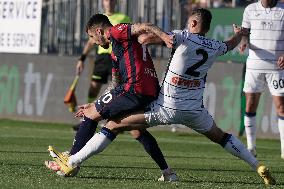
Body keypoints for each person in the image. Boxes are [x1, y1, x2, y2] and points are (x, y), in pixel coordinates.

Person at [52, 8, 276, 186]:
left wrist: (147, 38)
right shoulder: (215, 46)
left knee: (112, 125)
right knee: (221, 136)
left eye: (189, 20)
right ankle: (257, 165)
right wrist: (240, 34)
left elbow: (145, 37)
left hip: (164, 106)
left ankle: (72, 161)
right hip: (195, 111)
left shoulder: (182, 36)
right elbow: (230, 45)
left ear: (194, 24)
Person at [46, 14, 178, 181]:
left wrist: (164, 36)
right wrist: (95, 103)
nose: (93, 42)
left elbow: (145, 25)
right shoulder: (116, 52)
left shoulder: (116, 31)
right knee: (136, 131)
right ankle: (167, 172)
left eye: (92, 37)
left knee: (90, 115)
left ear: (100, 31)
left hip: (134, 88)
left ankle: (71, 160)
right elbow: (114, 85)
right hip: (149, 92)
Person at [73, 0, 130, 131]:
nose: (108, 3)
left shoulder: (123, 18)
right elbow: (91, 41)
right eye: (106, 0)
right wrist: (82, 58)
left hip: (116, 56)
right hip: (102, 58)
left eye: (111, 0)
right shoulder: (98, 20)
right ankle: (87, 116)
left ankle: (116, 119)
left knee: (117, 88)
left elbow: (127, 34)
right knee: (94, 88)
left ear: (115, 2)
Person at [239, 0, 284, 159]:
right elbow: (244, 34)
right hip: (254, 65)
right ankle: (251, 148)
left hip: (278, 66)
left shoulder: (282, 10)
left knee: (281, 106)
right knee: (250, 105)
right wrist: (243, 41)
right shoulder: (250, 9)